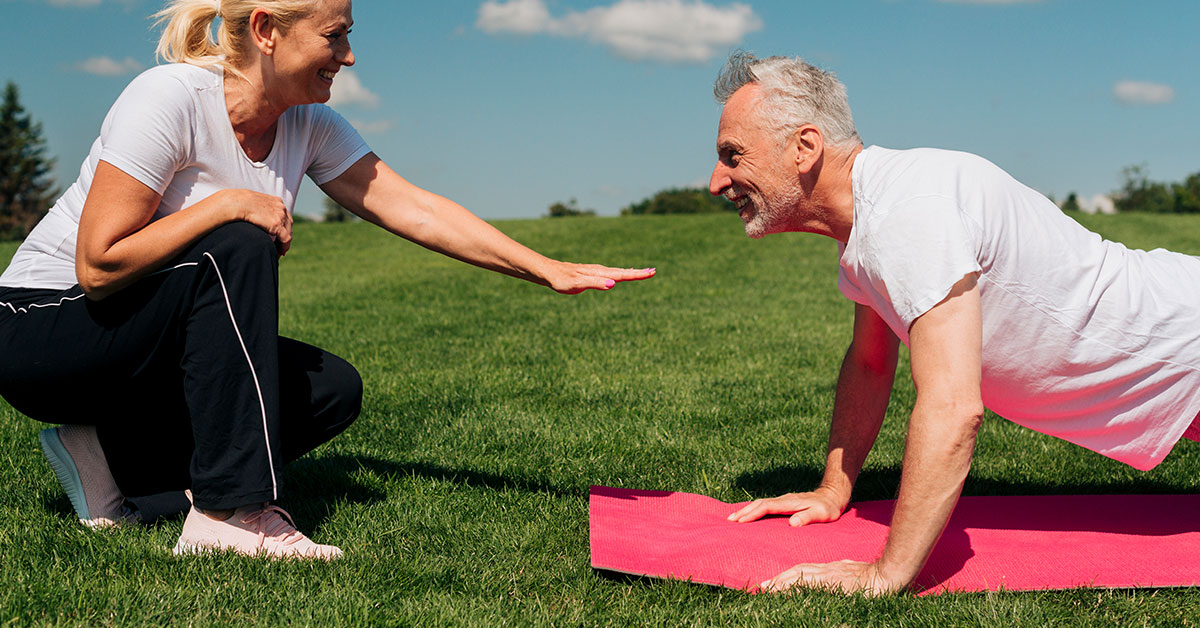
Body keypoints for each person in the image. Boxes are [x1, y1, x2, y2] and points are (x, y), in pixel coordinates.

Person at [0, 0, 654, 560]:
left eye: (348, 36)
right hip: (41, 332)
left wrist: (542, 267)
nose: (347, 55)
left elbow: (414, 207)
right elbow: (99, 262)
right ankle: (229, 515)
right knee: (236, 238)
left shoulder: (307, 125)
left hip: (130, 343)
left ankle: (106, 457)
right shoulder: (169, 97)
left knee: (327, 391)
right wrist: (227, 204)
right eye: (333, 35)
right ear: (266, 30)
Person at [706, 52, 1200, 594]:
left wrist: (885, 574)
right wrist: (832, 489)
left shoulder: (909, 212)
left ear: (805, 147)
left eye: (733, 156)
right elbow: (871, 363)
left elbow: (954, 406)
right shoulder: (871, 226)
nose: (716, 181)